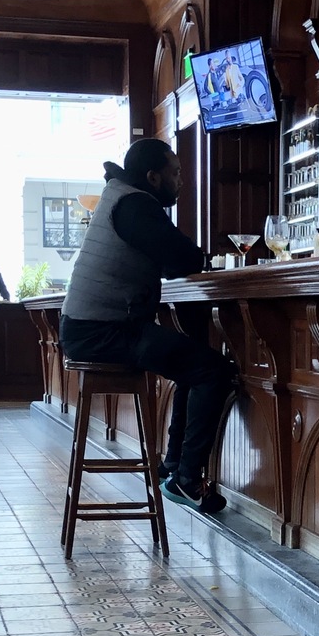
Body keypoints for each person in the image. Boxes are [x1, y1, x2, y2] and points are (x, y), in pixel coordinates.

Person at [59, 138, 235, 514]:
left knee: (196, 365)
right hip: (104, 332)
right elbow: (183, 257)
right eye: (175, 173)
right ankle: (187, 479)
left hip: (92, 329)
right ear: (153, 177)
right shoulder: (135, 205)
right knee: (212, 370)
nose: (181, 181)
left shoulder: (121, 196)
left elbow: (174, 260)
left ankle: (174, 467)